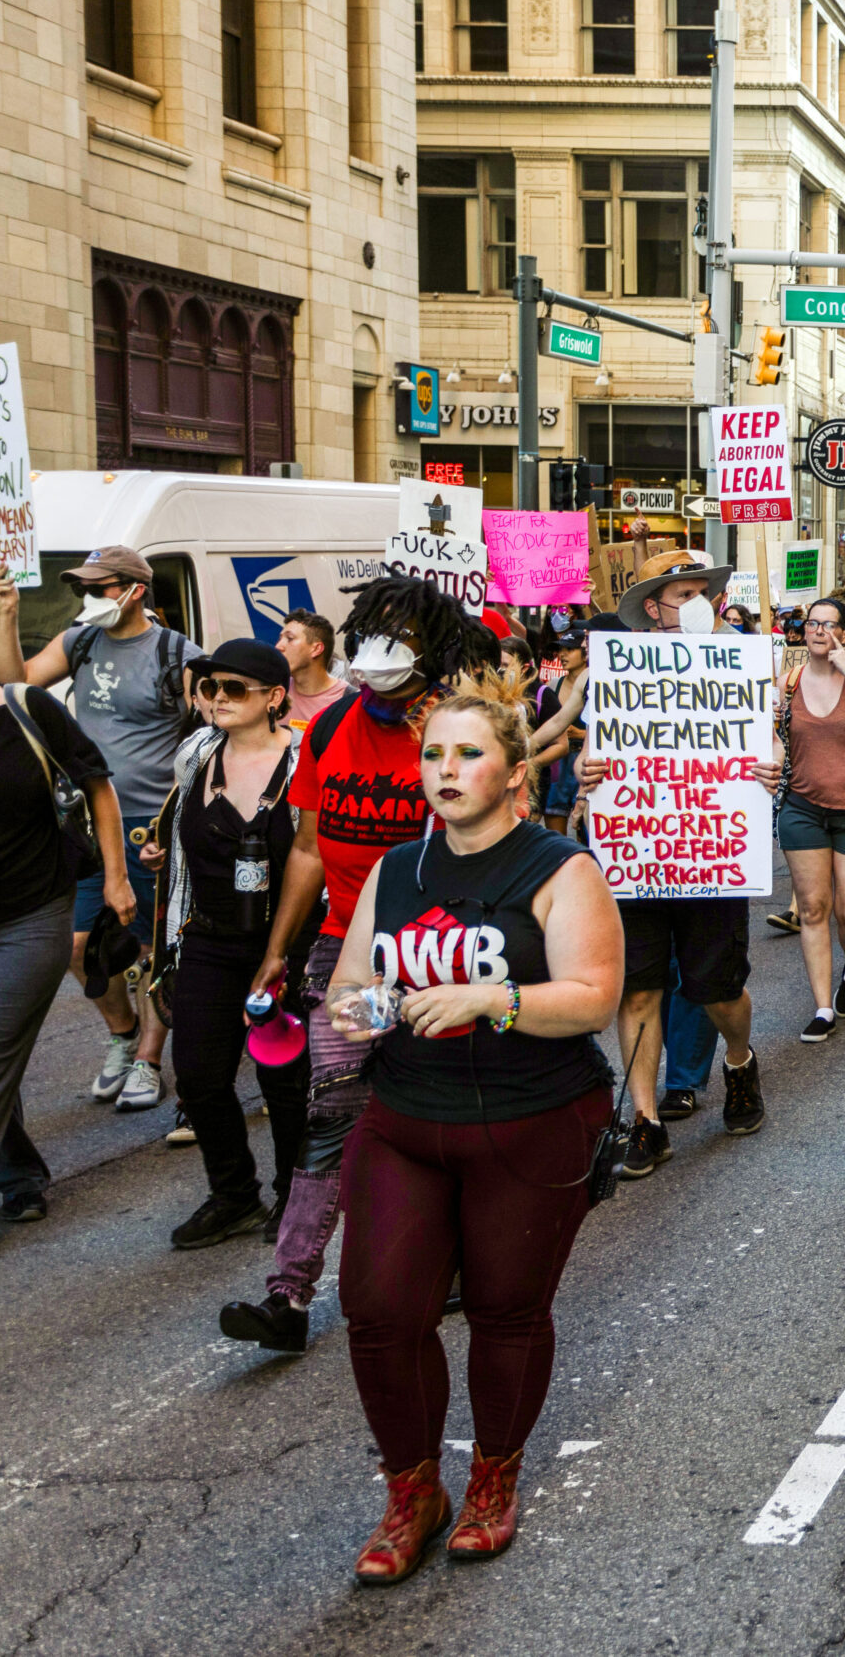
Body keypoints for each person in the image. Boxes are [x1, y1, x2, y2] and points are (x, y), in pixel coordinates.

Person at [328, 679, 623, 1583]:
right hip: (407, 1118)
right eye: (433, 755)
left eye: (468, 754)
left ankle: (494, 1477)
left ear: (514, 771)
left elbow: (592, 998)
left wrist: (491, 999)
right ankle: (413, 1490)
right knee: (379, 1311)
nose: (445, 771)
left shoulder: (559, 868)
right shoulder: (398, 869)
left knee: (505, 1310)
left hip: (530, 1124)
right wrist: (361, 1008)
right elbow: (346, 985)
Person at [219, 577, 498, 1356]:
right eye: (371, 632)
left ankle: (452, 1260)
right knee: (332, 1115)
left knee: (438, 1115)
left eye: (400, 635)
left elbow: (490, 844)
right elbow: (308, 847)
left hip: (439, 961)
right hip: (347, 960)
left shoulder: (453, 735)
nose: (379, 650)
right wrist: (278, 952)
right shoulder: (329, 727)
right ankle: (289, 1295)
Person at [574, 550, 764, 1179]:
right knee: (639, 988)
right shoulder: (618, 671)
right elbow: (598, 749)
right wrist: (586, 771)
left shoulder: (741, 663)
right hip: (638, 852)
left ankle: (738, 1060)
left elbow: (765, 746)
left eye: (701, 593)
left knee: (717, 988)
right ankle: (646, 1120)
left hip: (712, 853)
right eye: (682, 595)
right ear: (652, 608)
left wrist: (771, 768)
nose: (696, 604)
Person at [0, 545, 199, 1114]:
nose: (90, 598)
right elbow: (17, 691)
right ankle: (122, 1031)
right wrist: (7, 615)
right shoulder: (80, 641)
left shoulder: (175, 652)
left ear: (135, 590)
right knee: (79, 943)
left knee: (155, 945)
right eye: (83, 588)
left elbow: (213, 729)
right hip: (85, 819)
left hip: (154, 824)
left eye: (100, 587)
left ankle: (149, 1060)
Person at [148, 640, 310, 1250]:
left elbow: (311, 854)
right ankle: (233, 1195)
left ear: (274, 698)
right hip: (208, 940)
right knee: (198, 1075)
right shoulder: (194, 753)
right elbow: (183, 835)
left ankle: (295, 1195)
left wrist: (283, 953)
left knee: (286, 1080)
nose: (217, 699)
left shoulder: (302, 761)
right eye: (210, 687)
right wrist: (163, 854)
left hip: (285, 942)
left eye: (234, 689)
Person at [0, 670, 133, 1221]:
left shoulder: (26, 707)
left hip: (32, 913)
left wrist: (116, 876)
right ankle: (16, 1174)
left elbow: (97, 785)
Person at [758, 596, 845, 1043]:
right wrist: (772, 744)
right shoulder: (785, 683)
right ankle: (822, 1007)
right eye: (812, 623)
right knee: (813, 909)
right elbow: (776, 746)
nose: (817, 630)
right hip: (803, 809)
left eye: (829, 625)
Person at [533, 623, 588, 833]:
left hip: (583, 763)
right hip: (558, 765)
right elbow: (552, 724)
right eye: (560, 650)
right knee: (555, 834)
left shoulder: (596, 682)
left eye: (569, 650)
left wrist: (581, 734)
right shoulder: (552, 686)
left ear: (585, 654)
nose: (562, 655)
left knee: (585, 831)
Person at [279, 610, 348, 731]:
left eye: (289, 638)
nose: (279, 646)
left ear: (316, 649)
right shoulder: (276, 694)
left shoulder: (348, 700)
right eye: (280, 638)